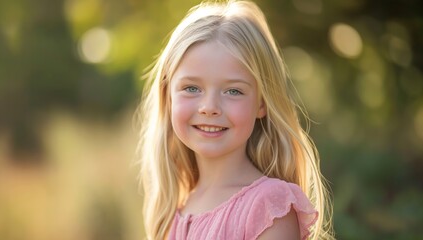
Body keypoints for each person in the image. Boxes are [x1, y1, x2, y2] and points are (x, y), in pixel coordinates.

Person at [137, 0, 334, 239]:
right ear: (167, 95)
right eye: (191, 88)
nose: (209, 107)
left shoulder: (269, 208)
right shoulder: (173, 208)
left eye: (233, 91)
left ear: (262, 102)